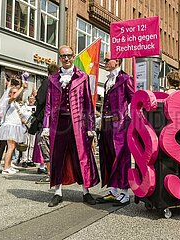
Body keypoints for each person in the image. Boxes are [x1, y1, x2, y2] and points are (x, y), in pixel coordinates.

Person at [42, 45, 99, 207]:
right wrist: (46, 125)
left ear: (73, 56)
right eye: (63, 56)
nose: (66, 59)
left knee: (80, 157)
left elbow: (88, 104)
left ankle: (85, 191)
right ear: (59, 58)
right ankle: (57, 192)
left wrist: (90, 127)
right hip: (58, 124)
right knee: (57, 157)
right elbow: (48, 104)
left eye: (69, 56)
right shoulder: (53, 78)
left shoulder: (82, 77)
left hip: (78, 124)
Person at [96, 52, 134, 206]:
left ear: (117, 61)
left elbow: (134, 99)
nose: (104, 61)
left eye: (107, 59)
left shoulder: (125, 78)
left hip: (120, 125)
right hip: (106, 125)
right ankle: (113, 190)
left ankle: (125, 193)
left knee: (122, 158)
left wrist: (131, 119)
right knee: (108, 156)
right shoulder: (107, 81)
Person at [0, 76, 27, 175]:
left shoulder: (16, 104)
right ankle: (5, 168)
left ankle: (8, 165)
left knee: (12, 147)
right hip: (10, 126)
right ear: (9, 93)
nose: (14, 94)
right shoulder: (8, 101)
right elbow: (13, 97)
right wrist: (22, 87)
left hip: (16, 125)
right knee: (10, 147)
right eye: (12, 92)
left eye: (15, 92)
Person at [34, 63, 59, 183]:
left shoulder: (48, 81)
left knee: (46, 147)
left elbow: (41, 99)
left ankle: (50, 175)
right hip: (57, 120)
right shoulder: (60, 83)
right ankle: (55, 173)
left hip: (45, 120)